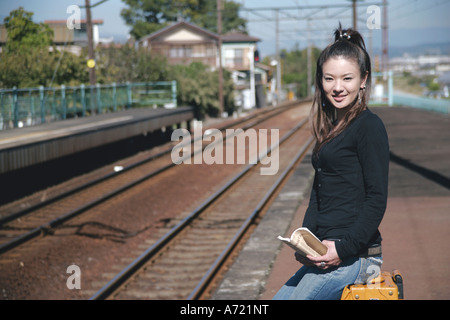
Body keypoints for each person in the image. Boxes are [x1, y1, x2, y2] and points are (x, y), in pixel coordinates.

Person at [273, 24, 389, 300]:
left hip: (357, 257)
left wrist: (343, 249)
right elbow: (319, 194)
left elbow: (376, 199)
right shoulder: (332, 129)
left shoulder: (369, 127)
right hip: (326, 254)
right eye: (329, 79)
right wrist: (306, 243)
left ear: (363, 80)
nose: (337, 88)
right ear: (320, 81)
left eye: (347, 78)